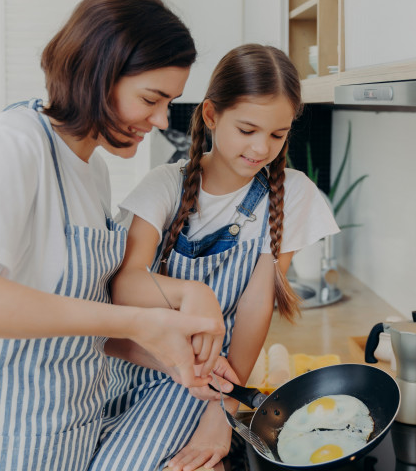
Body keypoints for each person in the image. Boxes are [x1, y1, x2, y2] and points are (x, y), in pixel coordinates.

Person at [0, 0, 233, 471]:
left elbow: (66, 335)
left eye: (168, 102)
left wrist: (173, 359)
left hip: (54, 444)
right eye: (151, 99)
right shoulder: (13, 145)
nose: (161, 119)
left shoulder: (92, 172)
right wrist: (138, 322)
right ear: (98, 74)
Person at [93, 44, 340, 471]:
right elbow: (125, 283)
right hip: (135, 362)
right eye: (247, 129)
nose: (262, 147)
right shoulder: (165, 185)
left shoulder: (293, 193)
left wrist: (221, 412)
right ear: (211, 115)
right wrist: (194, 292)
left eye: (278, 135)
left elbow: (255, 305)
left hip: (209, 379)